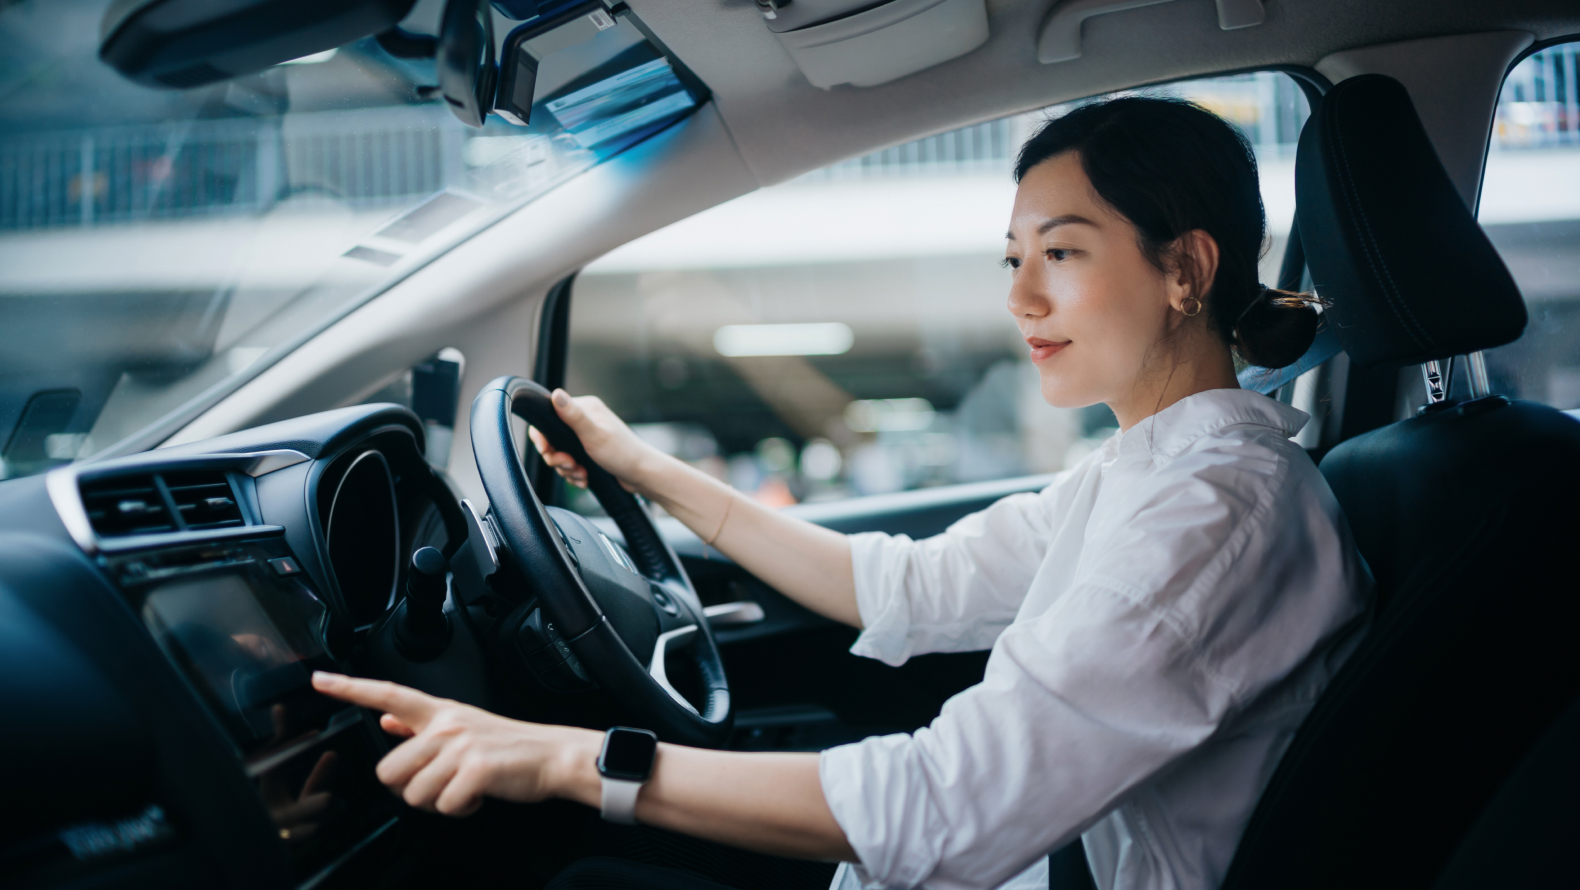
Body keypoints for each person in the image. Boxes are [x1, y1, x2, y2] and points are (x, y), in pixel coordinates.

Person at [313, 96, 1372, 890]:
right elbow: (904, 582)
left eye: (1059, 252)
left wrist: (561, 758)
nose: (1017, 296)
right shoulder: (1147, 473)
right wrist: (643, 469)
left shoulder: (1210, 515)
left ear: (1184, 268)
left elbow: (950, 801)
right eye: (1012, 257)